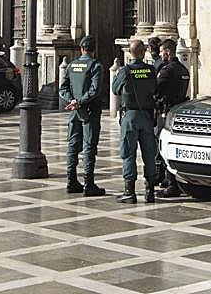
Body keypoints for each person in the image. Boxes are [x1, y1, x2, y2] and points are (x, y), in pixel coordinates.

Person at [112, 39, 159, 204]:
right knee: (149, 154)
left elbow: (115, 90)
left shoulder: (125, 71)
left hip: (130, 116)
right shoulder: (151, 70)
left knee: (128, 153)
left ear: (130, 53)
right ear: (143, 52)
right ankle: (150, 191)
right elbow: (155, 89)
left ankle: (129, 192)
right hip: (146, 116)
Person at [59, 35, 105, 197]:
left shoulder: (72, 65)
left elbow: (63, 88)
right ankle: (89, 183)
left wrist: (72, 100)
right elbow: (95, 90)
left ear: (81, 49)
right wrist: (79, 101)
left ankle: (71, 180)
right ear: (94, 50)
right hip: (89, 111)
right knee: (89, 146)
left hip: (74, 111)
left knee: (72, 145)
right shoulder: (95, 66)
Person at [154, 38, 190, 198]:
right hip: (178, 111)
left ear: (168, 52)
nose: (161, 55)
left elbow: (156, 91)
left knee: (164, 148)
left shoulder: (166, 71)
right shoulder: (184, 70)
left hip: (166, 112)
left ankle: (171, 183)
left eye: (162, 52)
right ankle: (170, 180)